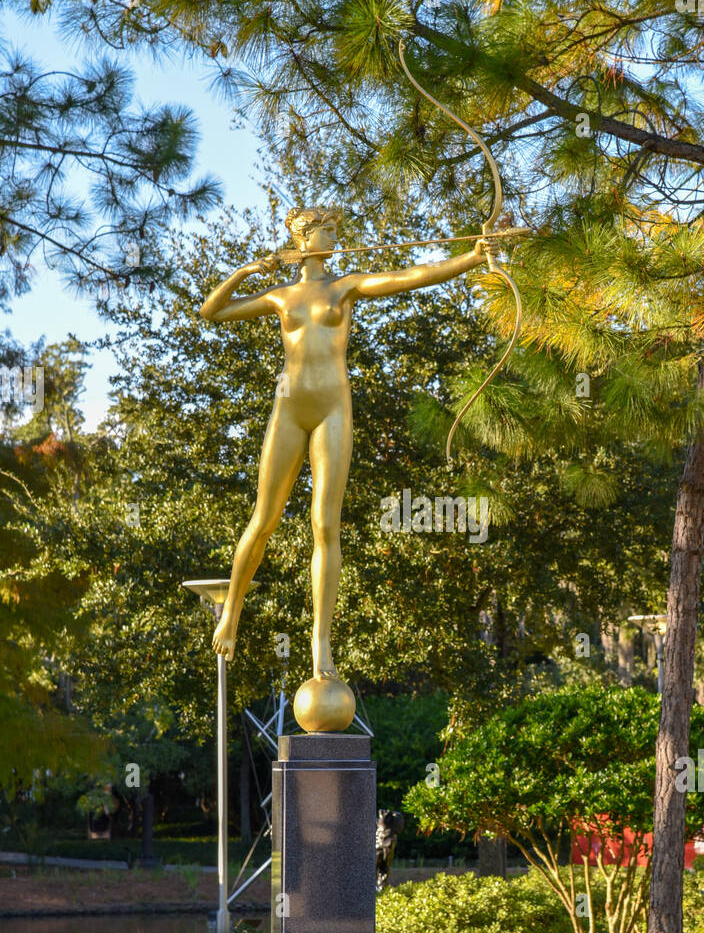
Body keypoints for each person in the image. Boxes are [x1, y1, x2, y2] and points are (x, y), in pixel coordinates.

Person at [198, 207, 489, 674]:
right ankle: (231, 611)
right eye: (327, 231)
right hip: (289, 406)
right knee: (264, 518)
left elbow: (411, 275)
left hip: (334, 407)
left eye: (336, 231)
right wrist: (246, 271)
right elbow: (211, 312)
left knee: (325, 526)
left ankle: (320, 643)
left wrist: (470, 258)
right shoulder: (280, 295)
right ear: (303, 237)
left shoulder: (346, 284)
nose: (335, 237)